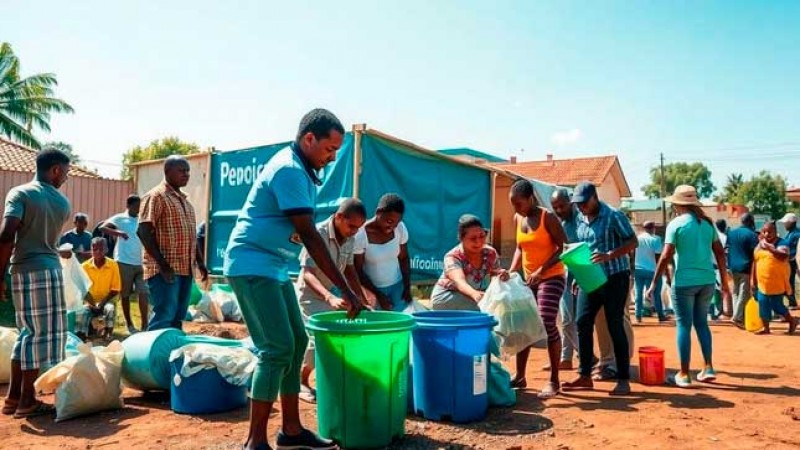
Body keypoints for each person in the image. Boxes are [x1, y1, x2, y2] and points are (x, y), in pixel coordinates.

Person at [224, 109, 364, 450]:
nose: (332, 157)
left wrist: (347, 289)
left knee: (298, 341)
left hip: (272, 266)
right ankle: (255, 441)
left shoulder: (303, 171)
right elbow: (310, 236)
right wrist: (346, 290)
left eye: (336, 151)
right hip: (252, 263)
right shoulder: (289, 169)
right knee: (276, 349)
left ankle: (291, 430)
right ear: (309, 139)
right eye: (329, 149)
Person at [0, 149, 71, 419]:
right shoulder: (61, 203)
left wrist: (0, 275)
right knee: (37, 336)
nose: (65, 178)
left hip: (21, 270)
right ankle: (27, 400)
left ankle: (13, 398)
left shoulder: (19, 194)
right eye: (65, 172)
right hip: (47, 272)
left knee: (26, 333)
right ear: (55, 170)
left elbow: (8, 234)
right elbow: (8, 233)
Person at [646, 185, 731, 388]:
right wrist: (725, 282)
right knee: (701, 323)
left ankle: (684, 374)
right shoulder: (707, 224)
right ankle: (708, 367)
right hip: (707, 280)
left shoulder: (676, 224)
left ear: (677, 204)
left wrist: (654, 282)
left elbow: (666, 255)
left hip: (684, 282)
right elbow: (720, 253)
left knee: (684, 325)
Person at [562, 182, 638, 396]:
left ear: (595, 198)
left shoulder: (613, 215)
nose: (581, 207)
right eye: (578, 204)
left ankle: (623, 379)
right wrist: (580, 275)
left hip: (616, 277)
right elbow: (585, 249)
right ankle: (585, 375)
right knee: (582, 321)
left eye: (584, 203)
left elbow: (633, 242)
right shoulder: (580, 218)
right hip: (591, 278)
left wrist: (609, 255)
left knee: (615, 324)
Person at [296, 198, 367, 403]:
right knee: (317, 338)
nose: (354, 231)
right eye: (351, 226)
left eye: (358, 228)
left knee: (339, 336)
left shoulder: (350, 237)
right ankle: (301, 381)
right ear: (339, 217)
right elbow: (307, 274)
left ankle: (330, 381)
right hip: (310, 295)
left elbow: (349, 269)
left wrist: (360, 298)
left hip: (330, 294)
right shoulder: (317, 233)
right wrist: (329, 297)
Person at [508, 179, 568, 398]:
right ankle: (520, 376)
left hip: (551, 277)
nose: (516, 208)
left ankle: (554, 380)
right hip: (529, 280)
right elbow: (519, 248)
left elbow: (563, 248)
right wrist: (511, 270)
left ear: (531, 198)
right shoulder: (518, 218)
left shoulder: (547, 217)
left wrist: (541, 270)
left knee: (546, 321)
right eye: (513, 205)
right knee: (523, 325)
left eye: (519, 204)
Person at [138, 156, 208, 331]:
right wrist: (163, 265)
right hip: (164, 270)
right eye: (181, 171)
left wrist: (200, 263)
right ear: (167, 171)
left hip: (185, 269)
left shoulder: (186, 203)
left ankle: (172, 348)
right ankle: (153, 348)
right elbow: (143, 232)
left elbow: (191, 237)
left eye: (188, 171)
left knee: (178, 317)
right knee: (164, 315)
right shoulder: (156, 196)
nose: (186, 174)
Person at [430, 214, 509, 311]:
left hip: (475, 297)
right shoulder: (453, 257)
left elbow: (493, 273)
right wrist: (474, 294)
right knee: (489, 304)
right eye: (473, 238)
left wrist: (500, 274)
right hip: (446, 298)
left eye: (482, 236)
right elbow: (459, 281)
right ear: (462, 238)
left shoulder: (490, 253)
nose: (478, 241)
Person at [354, 193, 412, 311]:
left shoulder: (400, 228)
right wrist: (378, 295)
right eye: (389, 221)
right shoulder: (360, 235)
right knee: (379, 321)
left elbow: (404, 258)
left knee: (401, 320)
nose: (393, 227)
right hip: (372, 290)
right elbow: (357, 271)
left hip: (398, 287)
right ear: (378, 212)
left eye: (396, 223)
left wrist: (406, 287)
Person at [100, 195, 149, 334]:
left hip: (141, 262)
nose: (139, 208)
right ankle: (129, 324)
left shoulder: (142, 219)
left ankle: (145, 325)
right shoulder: (120, 218)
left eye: (140, 206)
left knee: (143, 292)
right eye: (136, 206)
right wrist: (118, 233)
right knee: (125, 294)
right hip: (124, 262)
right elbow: (103, 228)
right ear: (128, 205)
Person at [550, 188, 580, 370]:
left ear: (570, 202)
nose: (559, 210)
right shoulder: (559, 222)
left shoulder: (581, 220)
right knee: (567, 319)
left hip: (584, 274)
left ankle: (585, 357)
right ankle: (566, 358)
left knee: (578, 320)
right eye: (555, 207)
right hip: (566, 275)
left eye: (562, 206)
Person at [751, 221, 798, 335]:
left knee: (777, 306)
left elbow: (783, 256)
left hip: (777, 282)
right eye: (764, 231)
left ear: (775, 232)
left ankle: (792, 321)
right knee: (763, 303)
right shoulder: (759, 246)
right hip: (762, 282)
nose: (767, 234)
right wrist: (752, 280)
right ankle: (766, 328)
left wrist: (770, 248)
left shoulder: (782, 243)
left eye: (770, 231)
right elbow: (755, 262)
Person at [78, 238, 121, 341]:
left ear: (106, 249)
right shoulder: (84, 266)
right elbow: (82, 289)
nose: (97, 252)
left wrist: (102, 303)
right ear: (91, 250)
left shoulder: (113, 265)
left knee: (110, 309)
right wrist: (92, 303)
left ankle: (108, 333)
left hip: (107, 300)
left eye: (101, 249)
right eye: (94, 249)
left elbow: (115, 289)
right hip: (90, 301)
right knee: (82, 311)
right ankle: (82, 334)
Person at [633, 221, 669, 322]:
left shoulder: (638, 238)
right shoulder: (656, 239)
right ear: (653, 228)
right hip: (652, 270)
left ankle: (638, 315)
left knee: (638, 292)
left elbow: (633, 253)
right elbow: (659, 257)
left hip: (638, 269)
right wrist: (662, 270)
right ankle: (660, 315)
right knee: (656, 294)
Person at [728, 213, 759, 328]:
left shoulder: (731, 233)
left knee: (736, 292)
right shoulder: (752, 235)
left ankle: (738, 316)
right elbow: (755, 253)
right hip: (745, 267)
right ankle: (737, 317)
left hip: (733, 267)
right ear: (751, 221)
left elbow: (728, 249)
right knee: (743, 293)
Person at [778, 213, 800, 309]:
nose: (784, 225)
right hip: (790, 262)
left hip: (794, 262)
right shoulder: (790, 233)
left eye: (785, 223)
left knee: (789, 282)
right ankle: (792, 302)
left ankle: (792, 302)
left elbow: (794, 250)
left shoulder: (797, 234)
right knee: (788, 282)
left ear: (791, 223)